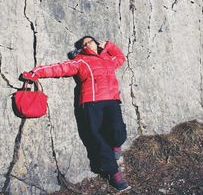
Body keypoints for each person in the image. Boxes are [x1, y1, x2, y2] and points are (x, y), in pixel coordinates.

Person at [21, 36, 129, 191]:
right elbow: (59, 68)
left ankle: (116, 145)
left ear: (96, 43)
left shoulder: (108, 58)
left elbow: (120, 58)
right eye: (83, 44)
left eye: (89, 41)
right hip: (91, 102)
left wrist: (109, 46)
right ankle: (113, 173)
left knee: (118, 131)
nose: (87, 45)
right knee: (96, 136)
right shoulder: (81, 61)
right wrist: (35, 72)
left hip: (112, 100)